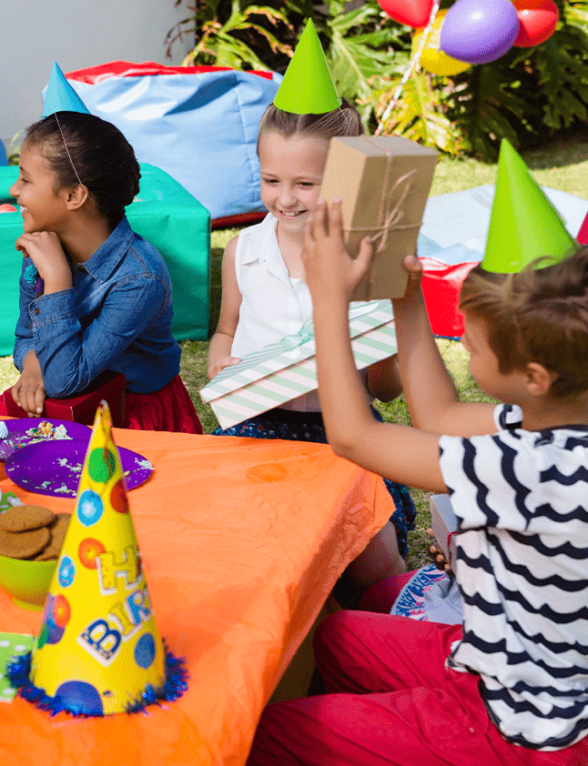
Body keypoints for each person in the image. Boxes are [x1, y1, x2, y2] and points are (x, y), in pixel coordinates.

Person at [247, 148, 588, 764]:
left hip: (518, 730)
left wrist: (329, 300)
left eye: (473, 342)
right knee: (334, 636)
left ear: (533, 375)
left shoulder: (536, 473)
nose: (466, 344)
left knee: (273, 731)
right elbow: (440, 418)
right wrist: (407, 298)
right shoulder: (561, 416)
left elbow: (354, 437)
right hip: (498, 655)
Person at [206, 21, 412, 585]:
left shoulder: (364, 257)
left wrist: (379, 360)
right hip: (257, 424)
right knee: (255, 545)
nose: (285, 199)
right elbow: (226, 331)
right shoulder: (244, 251)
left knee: (375, 556)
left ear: (347, 175)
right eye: (272, 180)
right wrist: (220, 361)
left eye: (306, 183)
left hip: (342, 429)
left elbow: (388, 390)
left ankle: (389, 625)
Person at [0, 65, 202, 434]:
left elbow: (64, 378)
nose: (14, 191)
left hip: (133, 417)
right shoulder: (41, 250)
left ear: (74, 196)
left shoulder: (140, 278)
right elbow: (25, 335)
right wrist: (32, 364)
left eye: (26, 179)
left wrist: (58, 280)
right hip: (72, 407)